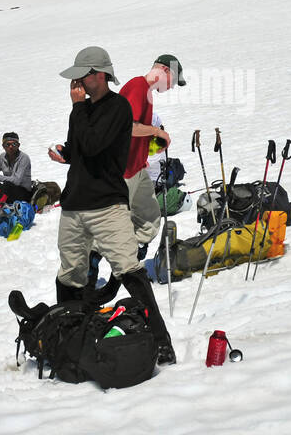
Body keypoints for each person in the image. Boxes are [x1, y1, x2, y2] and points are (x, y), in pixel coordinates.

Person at [43, 45, 175, 365]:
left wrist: (77, 110)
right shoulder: (83, 110)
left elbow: (94, 143)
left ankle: (161, 343)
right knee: (71, 274)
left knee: (128, 269)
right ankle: (73, 338)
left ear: (98, 75)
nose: (75, 86)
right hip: (74, 203)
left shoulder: (118, 108)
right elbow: (81, 149)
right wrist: (66, 153)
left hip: (106, 204)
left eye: (80, 78)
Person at [119, 55, 185, 253]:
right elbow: (127, 127)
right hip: (123, 171)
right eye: (173, 81)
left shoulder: (145, 92)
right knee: (114, 220)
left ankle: (136, 250)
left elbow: (136, 133)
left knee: (150, 215)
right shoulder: (138, 87)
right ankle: (98, 263)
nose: (172, 87)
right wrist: (157, 131)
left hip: (136, 167)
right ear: (165, 71)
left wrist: (151, 149)